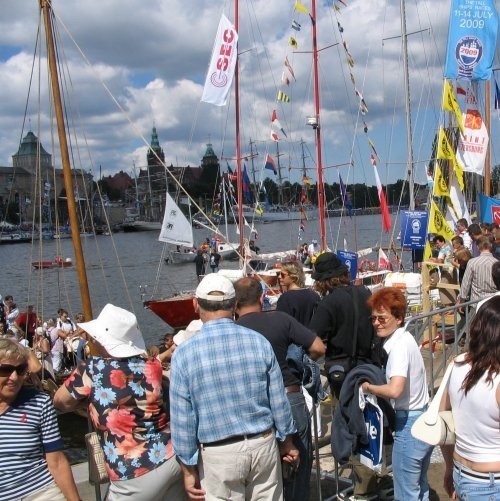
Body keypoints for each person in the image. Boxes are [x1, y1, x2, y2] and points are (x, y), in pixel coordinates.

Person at [170, 274, 299, 501]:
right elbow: (277, 400)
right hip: (262, 444)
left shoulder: (184, 354)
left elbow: (183, 418)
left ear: (195, 304)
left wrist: (188, 469)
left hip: (218, 453)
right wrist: (286, 441)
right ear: (234, 305)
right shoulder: (258, 342)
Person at [53, 304, 184, 501]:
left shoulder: (93, 369)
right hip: (172, 454)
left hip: (133, 469)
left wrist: (88, 402)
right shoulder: (152, 366)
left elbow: (60, 402)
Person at [234, 276, 325, 501]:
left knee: (263, 473)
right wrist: (300, 365)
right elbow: (318, 347)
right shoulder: (281, 320)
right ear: (262, 297)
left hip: (253, 403)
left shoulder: (234, 330)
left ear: (234, 303)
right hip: (289, 394)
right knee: (299, 462)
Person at [309, 252, 382, 498]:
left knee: (350, 425)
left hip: (343, 373)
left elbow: (313, 337)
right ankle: (369, 478)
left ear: (322, 280)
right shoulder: (364, 293)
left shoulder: (328, 303)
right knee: (367, 422)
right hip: (368, 366)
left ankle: (362, 487)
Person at [361, 287, 433, 501]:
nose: (376, 323)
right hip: (422, 417)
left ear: (399, 318)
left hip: (408, 423)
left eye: (382, 318)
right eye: (373, 318)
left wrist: (368, 388)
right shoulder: (407, 339)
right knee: (420, 487)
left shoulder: (399, 347)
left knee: (406, 493)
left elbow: (395, 390)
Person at [0, 337, 80, 500]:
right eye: (6, 370)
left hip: (41, 493)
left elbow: (56, 461)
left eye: (21, 369)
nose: (14, 377)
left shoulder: (39, 403)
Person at [440, 296, 500, 500]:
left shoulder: (457, 365)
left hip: (463, 473)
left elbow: (444, 420)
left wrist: (449, 467)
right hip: (491, 482)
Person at [457, 235, 498, 308]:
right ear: (491, 246)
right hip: (493, 304)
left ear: (478, 247)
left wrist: (461, 299)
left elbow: (466, 283)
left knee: (472, 319)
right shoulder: (497, 263)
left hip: (476, 303)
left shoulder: (472, 262)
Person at [276, 261, 320, 326]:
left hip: (294, 335)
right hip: (311, 334)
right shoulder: (314, 295)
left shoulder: (286, 298)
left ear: (293, 276)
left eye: (282, 275)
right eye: (278, 274)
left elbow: (281, 324)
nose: (279, 277)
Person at [430, 235, 457, 306]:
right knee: (452, 286)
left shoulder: (443, 250)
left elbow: (440, 261)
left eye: (437, 243)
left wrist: (434, 260)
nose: (437, 245)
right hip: (453, 269)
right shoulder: (450, 247)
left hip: (446, 270)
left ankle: (448, 305)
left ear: (442, 242)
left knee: (443, 287)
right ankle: (454, 303)